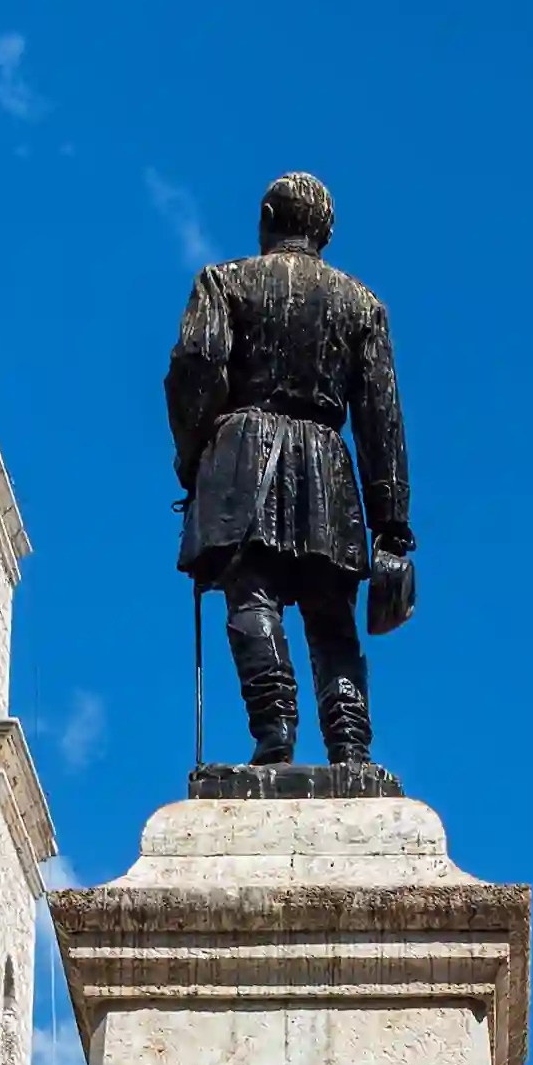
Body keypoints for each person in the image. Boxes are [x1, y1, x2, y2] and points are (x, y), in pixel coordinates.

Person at [163, 171, 416, 769]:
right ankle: (350, 742)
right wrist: (392, 524)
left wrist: (193, 454)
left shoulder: (224, 283)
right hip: (328, 466)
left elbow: (197, 369)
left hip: (240, 456)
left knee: (252, 596)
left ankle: (273, 725)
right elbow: (382, 420)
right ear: (323, 234)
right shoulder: (362, 305)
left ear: (267, 220)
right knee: (332, 616)